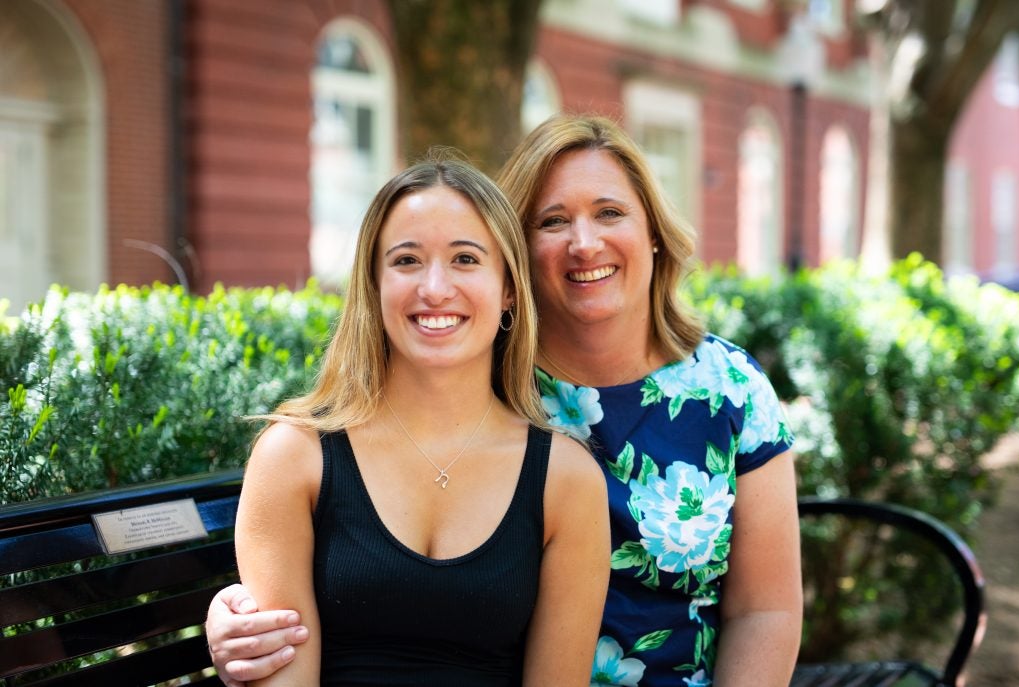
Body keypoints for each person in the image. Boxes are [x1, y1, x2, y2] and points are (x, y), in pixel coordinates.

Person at [208, 115, 803, 686]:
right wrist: (240, 613)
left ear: (653, 233)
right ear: (520, 257)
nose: (585, 242)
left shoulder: (727, 389)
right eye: (552, 222)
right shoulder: (468, 367)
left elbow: (767, 608)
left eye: (611, 213)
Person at [229, 155, 610, 686]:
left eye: (465, 259)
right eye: (407, 261)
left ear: (508, 290)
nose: (434, 289)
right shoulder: (294, 458)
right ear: (374, 285)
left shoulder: (566, 480)